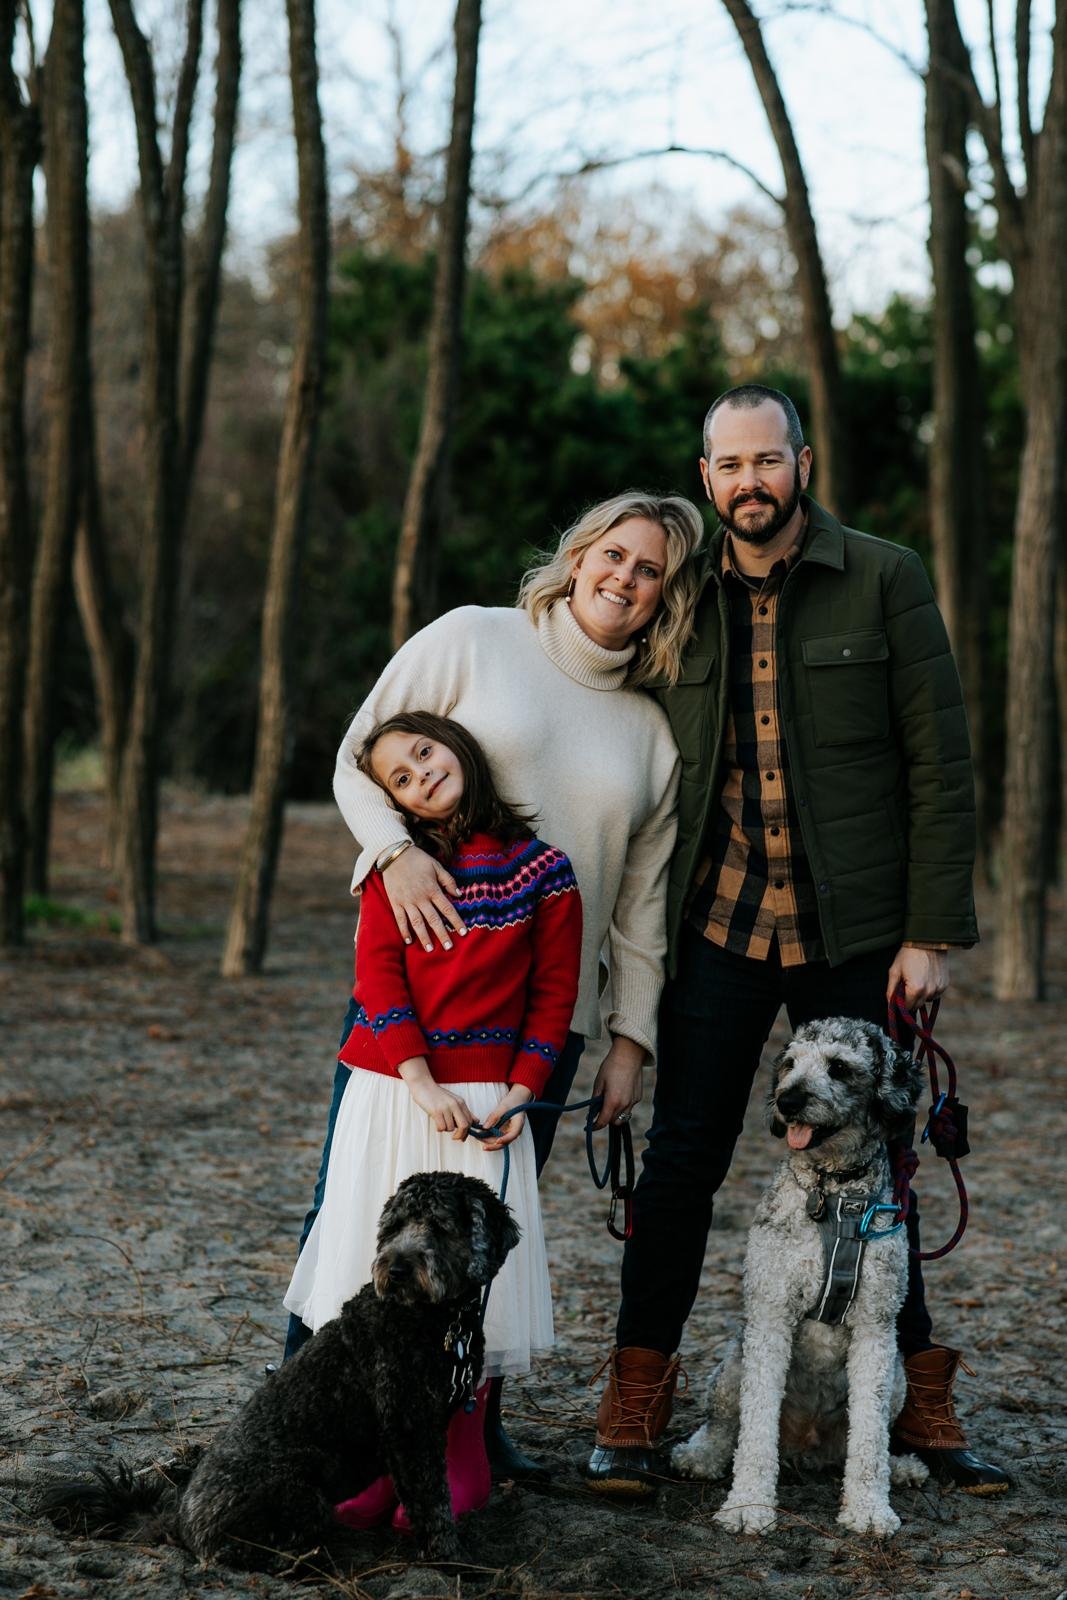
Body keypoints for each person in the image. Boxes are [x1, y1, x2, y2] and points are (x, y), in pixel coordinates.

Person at [585, 385, 1011, 1497]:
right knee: (681, 1162)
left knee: (881, 1169)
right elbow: (592, 684)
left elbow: (939, 762)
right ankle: (635, 1403)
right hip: (717, 925)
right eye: (727, 467)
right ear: (706, 473)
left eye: (766, 461)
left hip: (854, 932)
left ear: (801, 463)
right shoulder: (680, 595)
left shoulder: (883, 576)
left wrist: (928, 930)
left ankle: (916, 1403)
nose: (748, 483)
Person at [284, 490, 707, 1480]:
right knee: (354, 1213)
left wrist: (627, 1043)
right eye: (612, 554)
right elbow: (358, 756)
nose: (624, 579)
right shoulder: (474, 638)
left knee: (486, 1227)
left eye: (650, 572)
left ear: (666, 601)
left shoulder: (650, 735)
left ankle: (470, 1431)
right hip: (417, 1010)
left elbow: (637, 910)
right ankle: (307, 1410)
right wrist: (392, 852)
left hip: (535, 1030)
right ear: (575, 556)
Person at [284, 711, 582, 1529]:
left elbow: (554, 997)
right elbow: (377, 980)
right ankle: (382, 1460)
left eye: (424, 753)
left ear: (460, 748)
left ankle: (460, 1458)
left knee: (470, 1285)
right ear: (395, 806)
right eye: (400, 780)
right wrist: (419, 1081)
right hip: (398, 1091)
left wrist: (522, 1090)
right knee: (373, 1273)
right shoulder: (394, 871)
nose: (421, 775)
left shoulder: (545, 872)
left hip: (488, 1099)